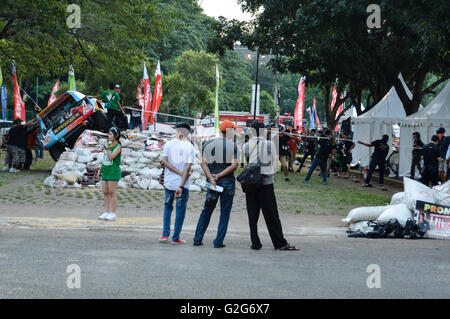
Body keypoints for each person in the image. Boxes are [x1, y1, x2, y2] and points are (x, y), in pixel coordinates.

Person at [243, 120, 298, 251]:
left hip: (250, 183)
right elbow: (274, 161)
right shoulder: (269, 144)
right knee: (271, 214)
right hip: (266, 182)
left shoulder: (246, 145)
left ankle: (255, 243)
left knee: (252, 214)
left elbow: (247, 160)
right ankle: (280, 243)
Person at [193, 120, 239, 248]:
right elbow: (234, 165)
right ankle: (218, 241)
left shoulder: (208, 144)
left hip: (213, 183)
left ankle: (197, 239)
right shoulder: (232, 146)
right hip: (228, 182)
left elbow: (203, 163)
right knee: (225, 213)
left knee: (207, 210)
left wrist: (212, 178)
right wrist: (220, 175)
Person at [159, 122, 195, 244]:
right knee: (180, 210)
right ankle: (175, 237)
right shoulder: (190, 147)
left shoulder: (168, 144)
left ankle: (165, 235)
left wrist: (178, 173)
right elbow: (188, 168)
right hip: (183, 184)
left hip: (169, 183)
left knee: (167, 207)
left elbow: (164, 162)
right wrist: (181, 178)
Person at [97, 127, 122, 221]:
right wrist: (100, 169)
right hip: (105, 170)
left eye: (111, 134)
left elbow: (111, 157)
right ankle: (106, 212)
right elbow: (105, 158)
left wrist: (107, 147)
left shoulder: (118, 146)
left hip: (113, 171)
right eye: (108, 134)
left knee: (112, 193)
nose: (109, 136)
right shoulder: (109, 145)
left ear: (116, 136)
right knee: (105, 192)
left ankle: (113, 213)